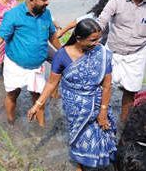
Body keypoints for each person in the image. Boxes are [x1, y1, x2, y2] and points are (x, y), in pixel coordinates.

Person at [28, 19, 117, 170]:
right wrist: (37, 104)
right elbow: (51, 83)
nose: (97, 43)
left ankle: (103, 163)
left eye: (99, 38)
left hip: (96, 102)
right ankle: (80, 164)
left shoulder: (102, 54)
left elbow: (107, 86)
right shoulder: (61, 55)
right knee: (79, 134)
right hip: (74, 105)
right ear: (78, 39)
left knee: (101, 133)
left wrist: (102, 112)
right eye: (93, 40)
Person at [0, 0, 61, 126]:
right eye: (44, 0)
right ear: (32, 0)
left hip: (37, 66)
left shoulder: (46, 14)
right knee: (13, 94)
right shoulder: (13, 15)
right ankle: (11, 123)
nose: (48, 3)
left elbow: (52, 36)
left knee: (38, 97)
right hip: (15, 65)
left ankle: (41, 127)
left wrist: (63, 52)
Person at [97, 0, 146, 122]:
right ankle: (99, 119)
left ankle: (123, 127)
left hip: (136, 55)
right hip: (112, 52)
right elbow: (101, 23)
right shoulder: (116, 1)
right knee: (103, 88)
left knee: (130, 92)